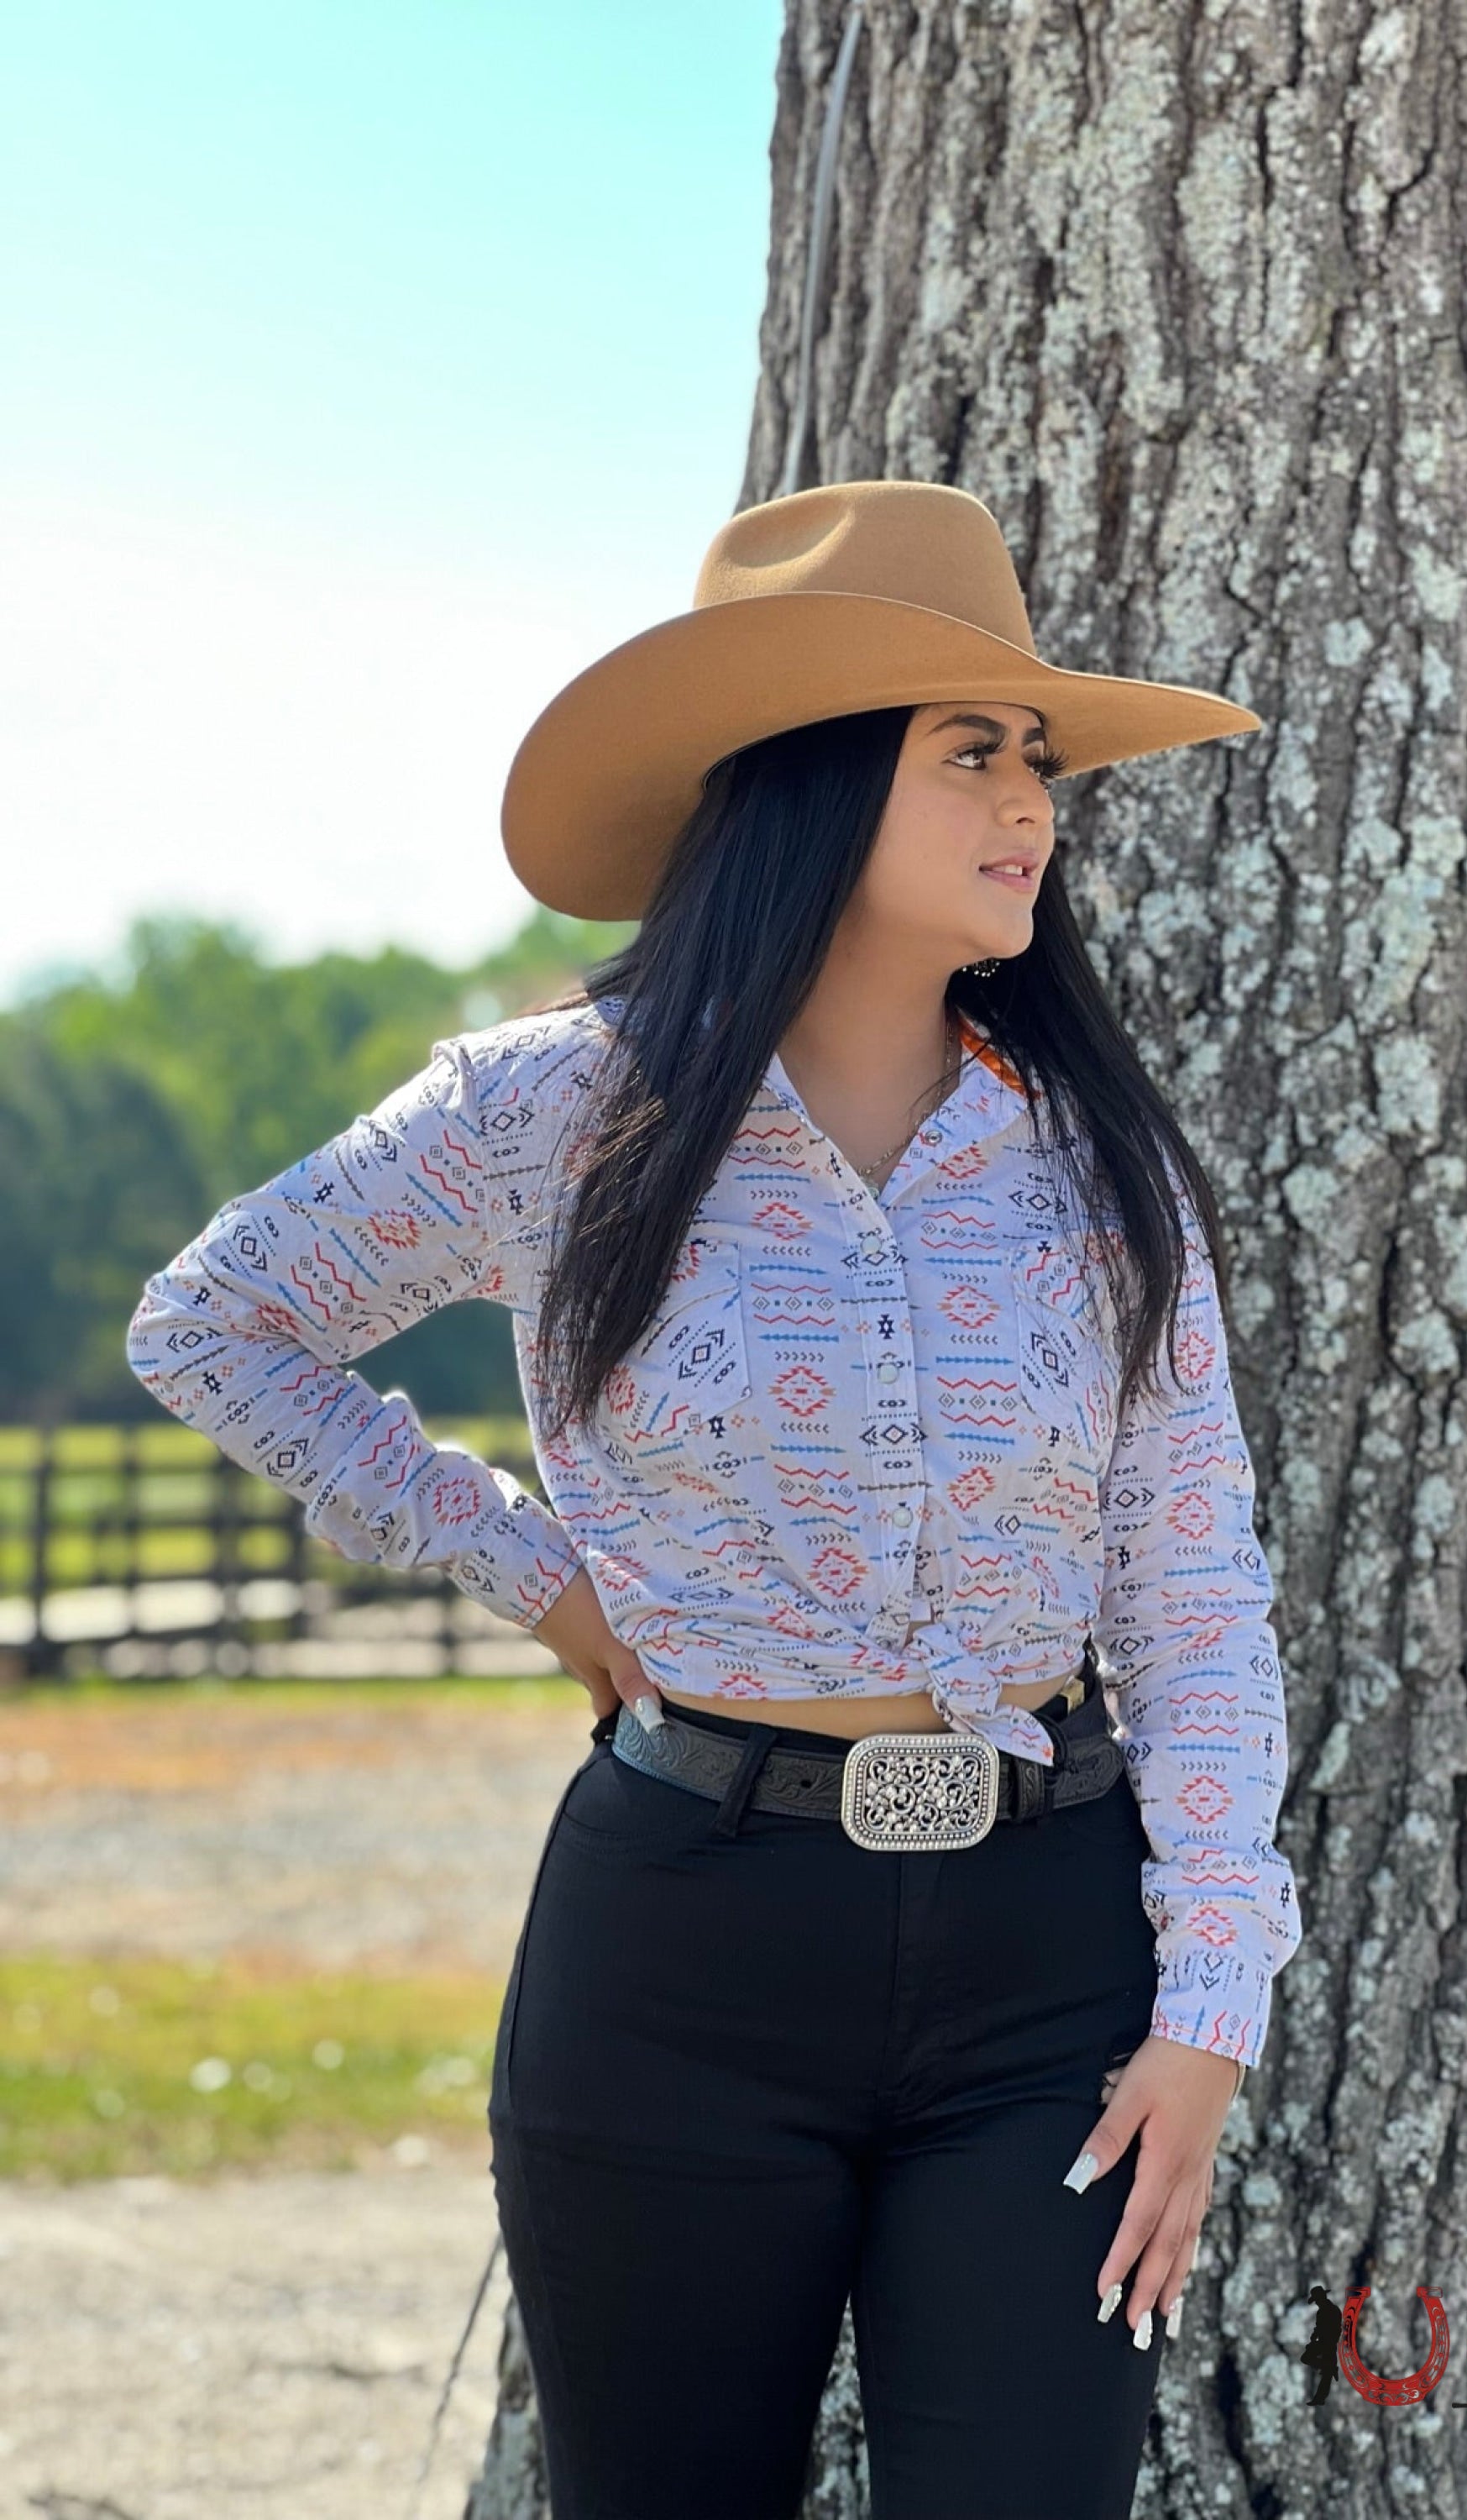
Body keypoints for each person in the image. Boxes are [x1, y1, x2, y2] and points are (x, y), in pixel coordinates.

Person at [126, 477, 1303, 2520]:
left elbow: (1193, 1594)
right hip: (678, 1957)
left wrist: (1209, 2010)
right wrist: (528, 1572)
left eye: (1035, 757)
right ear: (810, 776)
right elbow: (215, 1323)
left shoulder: (1097, 1168)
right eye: (972, 752)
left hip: (1048, 1971)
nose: (1032, 801)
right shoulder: (546, 1116)